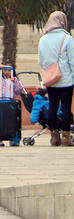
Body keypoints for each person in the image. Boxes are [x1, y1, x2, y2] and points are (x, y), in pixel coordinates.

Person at [38, 11, 74, 147]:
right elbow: (72, 61)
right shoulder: (67, 38)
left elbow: (41, 61)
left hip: (51, 80)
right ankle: (66, 136)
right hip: (66, 80)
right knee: (65, 108)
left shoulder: (43, 39)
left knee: (52, 107)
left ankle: (54, 137)